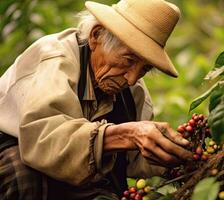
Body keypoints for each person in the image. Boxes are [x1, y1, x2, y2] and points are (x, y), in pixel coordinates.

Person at [0, 0, 192, 199]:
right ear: (96, 36)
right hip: (16, 157)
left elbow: (133, 159)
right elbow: (44, 140)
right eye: (129, 60)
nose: (133, 78)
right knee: (22, 175)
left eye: (144, 68)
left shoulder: (132, 90)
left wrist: (176, 149)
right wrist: (126, 135)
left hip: (67, 174)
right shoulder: (57, 59)